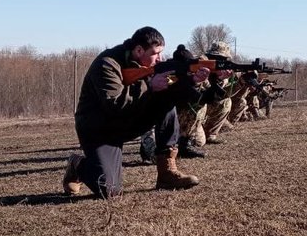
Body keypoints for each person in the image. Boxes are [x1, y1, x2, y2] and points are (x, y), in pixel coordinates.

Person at [63, 27, 210, 198]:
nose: (160, 58)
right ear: (139, 50)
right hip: (99, 129)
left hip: (127, 121)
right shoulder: (107, 64)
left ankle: (167, 172)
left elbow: (169, 84)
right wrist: (150, 85)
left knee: (166, 98)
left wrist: (192, 79)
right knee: (110, 190)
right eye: (155, 53)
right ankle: (77, 165)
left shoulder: (152, 66)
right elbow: (115, 103)